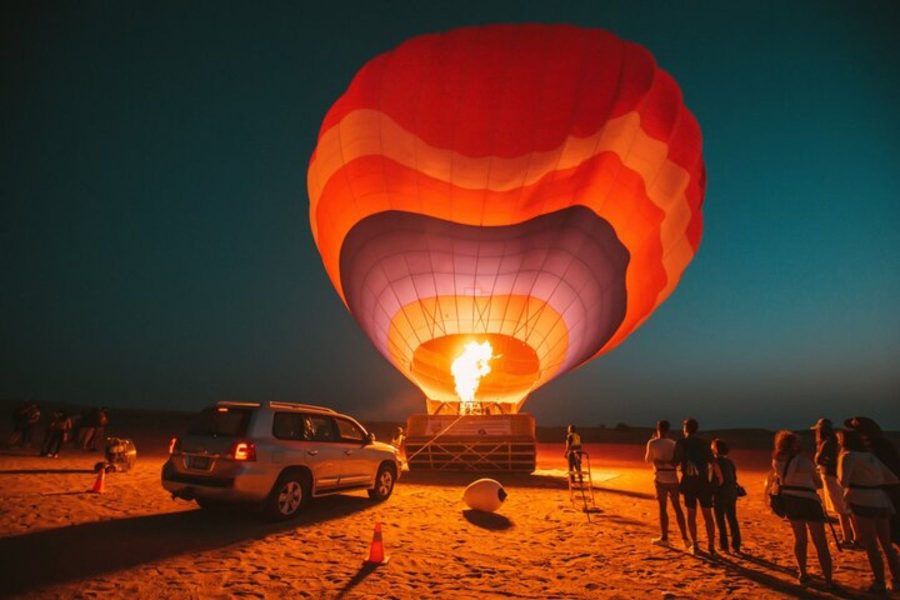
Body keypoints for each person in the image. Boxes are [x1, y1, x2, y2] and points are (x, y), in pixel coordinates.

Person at [838, 428, 899, 594]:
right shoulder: (870, 456)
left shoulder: (848, 456)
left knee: (871, 544)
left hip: (861, 500)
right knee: (886, 543)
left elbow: (843, 480)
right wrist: (874, 482)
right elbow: (892, 478)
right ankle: (897, 579)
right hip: (880, 499)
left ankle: (879, 582)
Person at [772, 430, 834, 588]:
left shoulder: (777, 461)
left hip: (790, 501)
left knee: (800, 539)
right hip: (809, 501)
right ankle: (828, 580)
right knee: (820, 542)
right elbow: (818, 482)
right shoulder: (804, 461)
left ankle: (803, 573)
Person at [844, 416, 900, 548]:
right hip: (881, 493)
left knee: (892, 530)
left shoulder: (878, 448)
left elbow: (891, 471)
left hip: (886, 493)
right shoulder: (868, 449)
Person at [673, 417, 720, 555]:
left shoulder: (681, 443)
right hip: (704, 482)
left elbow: (674, 462)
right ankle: (711, 546)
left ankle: (695, 545)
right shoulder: (704, 443)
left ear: (685, 429)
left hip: (689, 483)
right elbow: (712, 461)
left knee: (691, 514)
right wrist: (720, 478)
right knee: (708, 515)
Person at [811, 418, 856, 547]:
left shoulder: (827, 443)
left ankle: (847, 539)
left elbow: (818, 459)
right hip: (839, 475)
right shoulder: (837, 441)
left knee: (841, 509)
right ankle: (856, 537)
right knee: (846, 507)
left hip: (831, 476)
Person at [645, 420, 688, 547]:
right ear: (668, 430)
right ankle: (685, 538)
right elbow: (678, 462)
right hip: (673, 477)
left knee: (662, 508)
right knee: (677, 508)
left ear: (658, 429)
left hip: (660, 477)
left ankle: (664, 537)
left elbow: (648, 460)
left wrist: (658, 459)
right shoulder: (674, 444)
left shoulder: (652, 442)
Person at [711, 438, 742, 554]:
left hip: (720, 493)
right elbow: (734, 478)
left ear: (715, 449)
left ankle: (724, 545)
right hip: (731, 492)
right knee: (732, 518)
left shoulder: (715, 462)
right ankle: (736, 545)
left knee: (720, 520)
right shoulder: (730, 462)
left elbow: (718, 480)